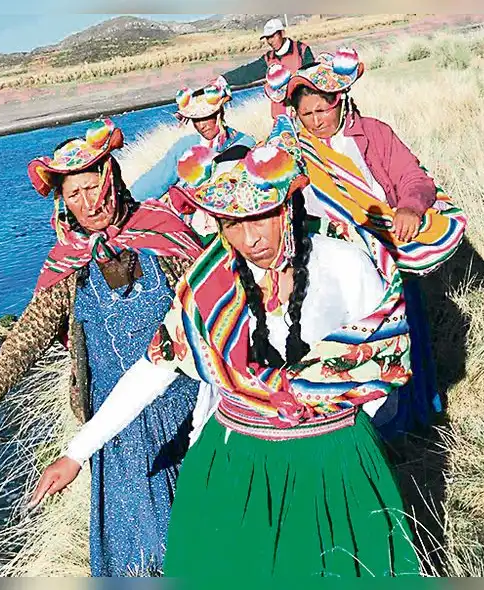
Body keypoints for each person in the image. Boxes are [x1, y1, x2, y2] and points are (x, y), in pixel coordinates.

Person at [29, 129, 420, 577]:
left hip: (333, 458)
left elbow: (385, 368)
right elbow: (154, 369)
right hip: (237, 463)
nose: (250, 238)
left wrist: (339, 424)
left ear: (287, 206)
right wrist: (77, 451)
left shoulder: (347, 266)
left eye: (260, 216)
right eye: (232, 223)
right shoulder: (209, 288)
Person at [0, 118, 206, 576]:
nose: (89, 203)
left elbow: (215, 307)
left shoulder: (163, 233)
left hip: (179, 408)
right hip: (109, 419)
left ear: (113, 179)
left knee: (185, 524)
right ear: (62, 203)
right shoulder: (68, 261)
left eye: (94, 187)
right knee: (134, 537)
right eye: (74, 195)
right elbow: (29, 332)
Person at [263, 47, 468, 438]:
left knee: (406, 333)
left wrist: (409, 206)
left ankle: (417, 416)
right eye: (306, 115)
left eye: (323, 110)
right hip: (338, 264)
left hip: (391, 249)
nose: (316, 121)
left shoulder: (374, 132)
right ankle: (361, 431)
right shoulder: (296, 152)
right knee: (353, 345)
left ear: (340, 100)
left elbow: (413, 177)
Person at [130, 78, 256, 243]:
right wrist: (127, 202)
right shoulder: (185, 146)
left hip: (235, 224)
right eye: (196, 120)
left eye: (206, 117)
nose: (201, 125)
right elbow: (157, 179)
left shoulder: (245, 143)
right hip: (191, 228)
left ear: (220, 113)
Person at [219, 17, 315, 119]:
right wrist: (224, 79)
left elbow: (312, 78)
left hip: (304, 112)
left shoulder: (301, 50)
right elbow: (248, 72)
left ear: (282, 33)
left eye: (272, 36)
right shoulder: (268, 58)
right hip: (280, 116)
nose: (270, 41)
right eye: (267, 38)